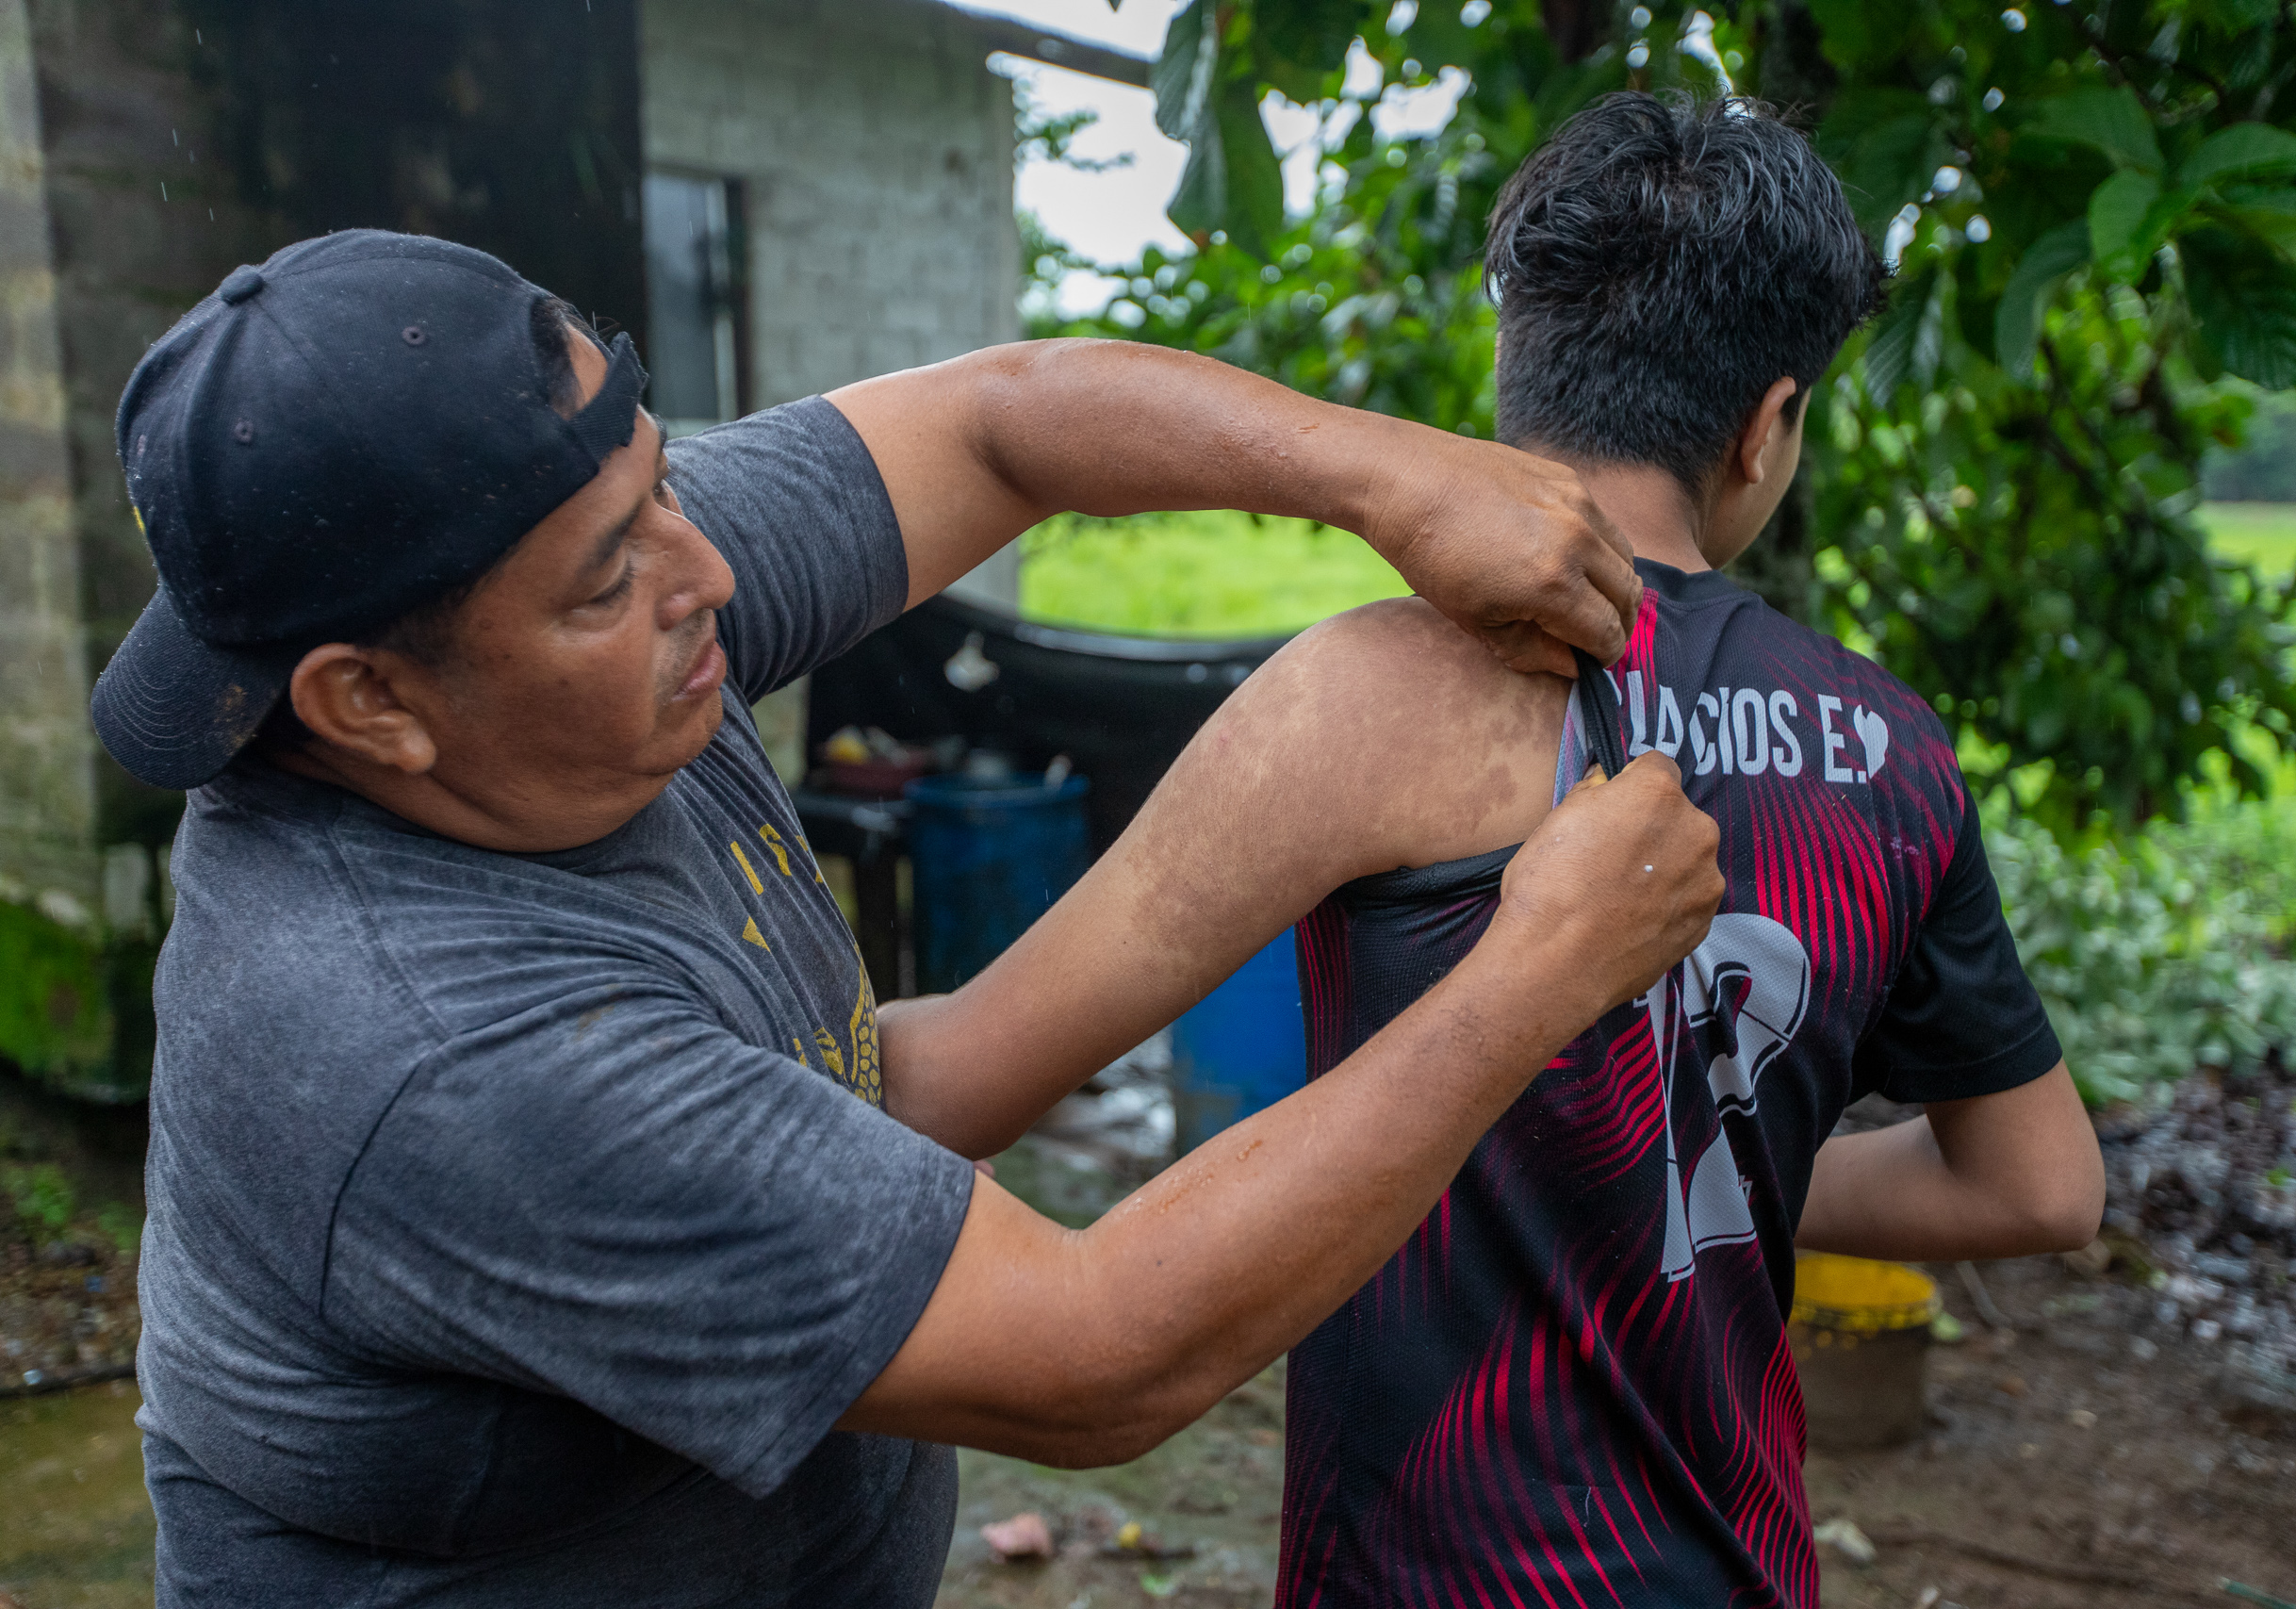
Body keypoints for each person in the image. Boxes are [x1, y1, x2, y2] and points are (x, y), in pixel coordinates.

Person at [103, 228, 1726, 1606]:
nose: (707, 575)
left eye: (666, 488)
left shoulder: (588, 594)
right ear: (371, 701)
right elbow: (1095, 1358)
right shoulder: (431, 1050)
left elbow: (1001, 427)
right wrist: (1536, 975)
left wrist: (1388, 473)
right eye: (613, 577)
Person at [881, 93, 2107, 1607]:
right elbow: (2040, 1187)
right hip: (1737, 1566)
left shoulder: (1374, 692)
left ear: (1515, 362)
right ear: (1768, 423)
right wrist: (1727, 1166)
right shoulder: (1892, 748)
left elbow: (947, 1081)